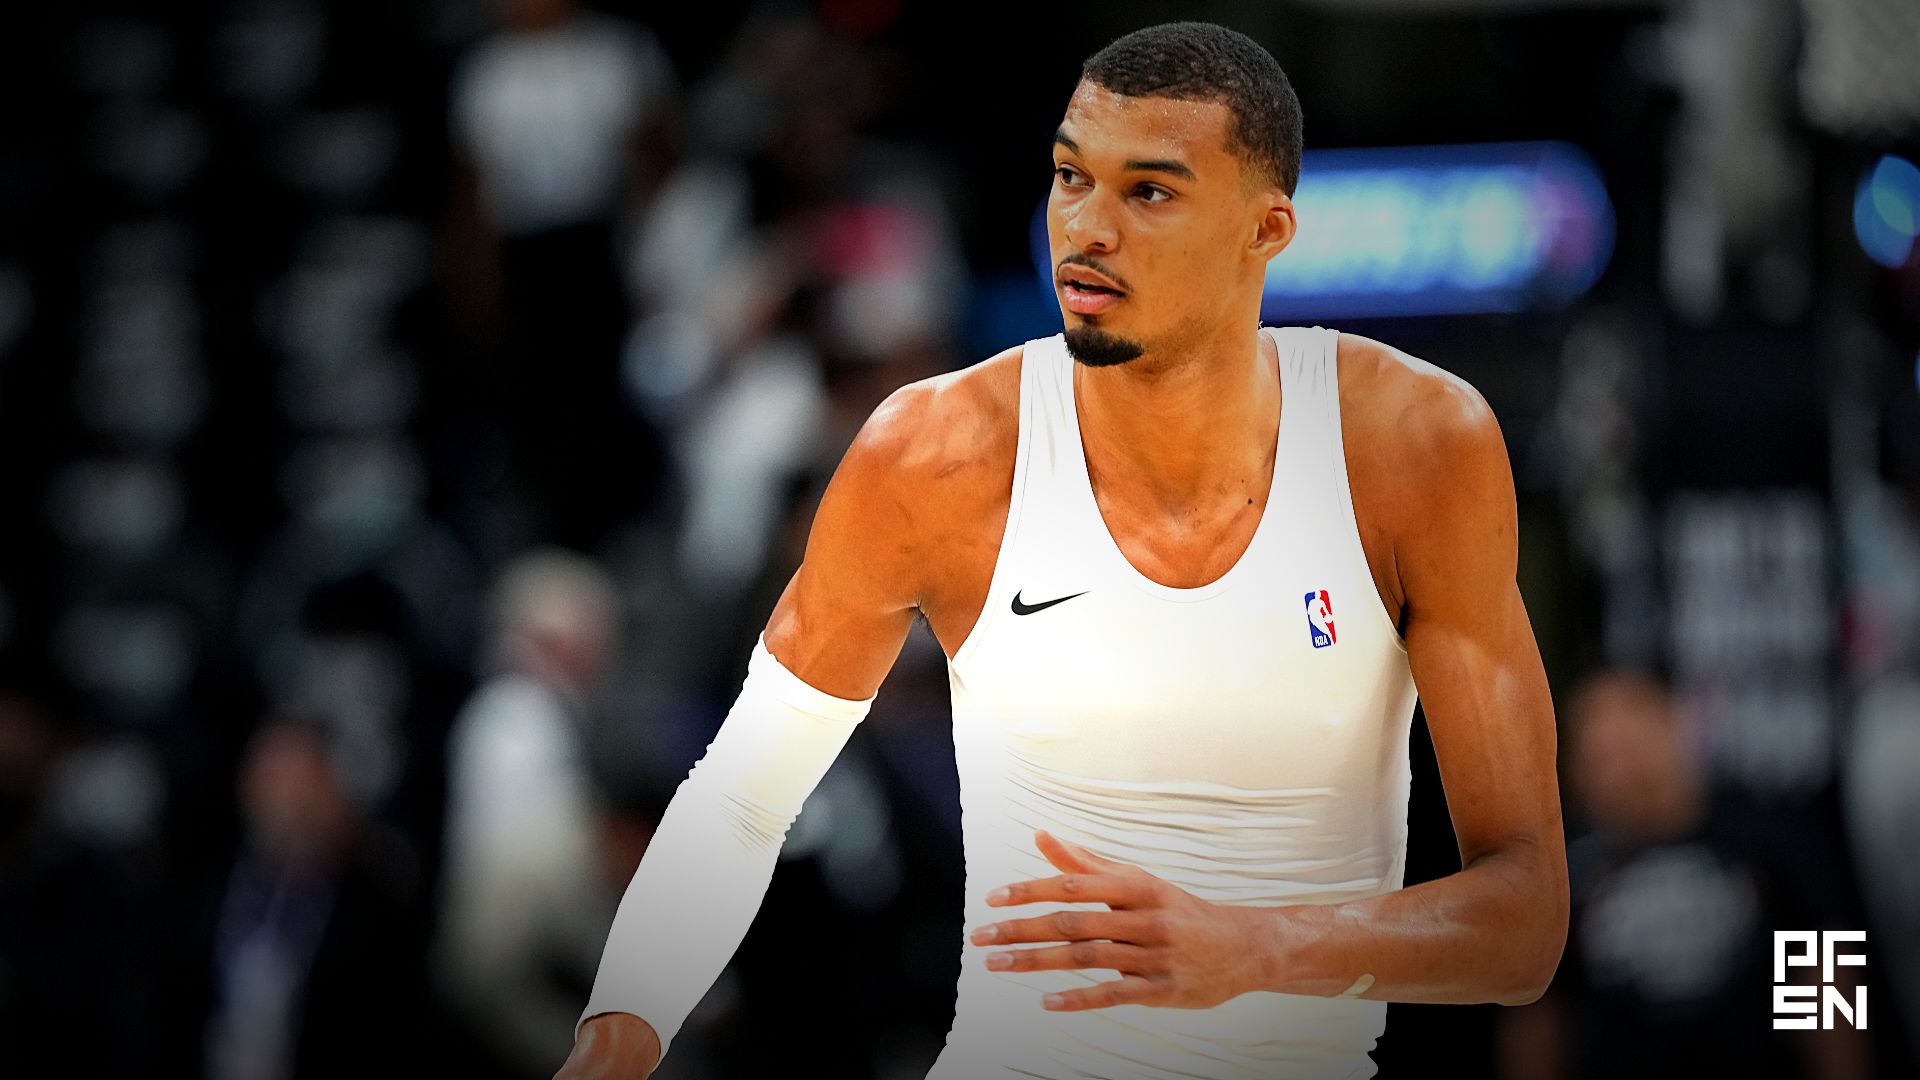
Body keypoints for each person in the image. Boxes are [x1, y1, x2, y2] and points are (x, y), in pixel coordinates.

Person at [560, 21, 1568, 1080]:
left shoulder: (1413, 447)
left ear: (1265, 231)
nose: (1087, 228)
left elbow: (1526, 918)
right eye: (1070, 177)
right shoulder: (936, 455)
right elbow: (743, 794)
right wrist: (623, 1022)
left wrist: (1262, 945)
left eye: (1150, 192)